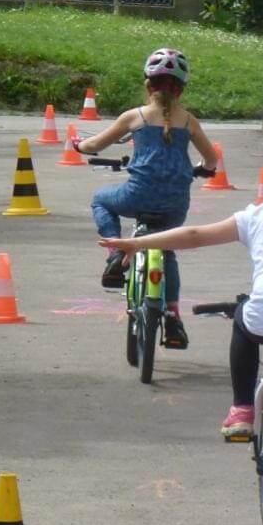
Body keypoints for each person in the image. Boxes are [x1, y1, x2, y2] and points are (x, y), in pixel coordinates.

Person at [98, 132, 263, 496]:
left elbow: (194, 235)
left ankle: (241, 410)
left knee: (243, 319)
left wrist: (135, 243)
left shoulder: (256, 216)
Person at [75, 48, 218, 348]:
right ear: (180, 90)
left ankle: (116, 253)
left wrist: (79, 145)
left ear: (148, 85)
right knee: (166, 249)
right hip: (175, 204)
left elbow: (94, 145)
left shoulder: (135, 117)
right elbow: (211, 159)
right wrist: (204, 169)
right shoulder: (189, 121)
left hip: (137, 196)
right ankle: (173, 317)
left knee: (101, 200)